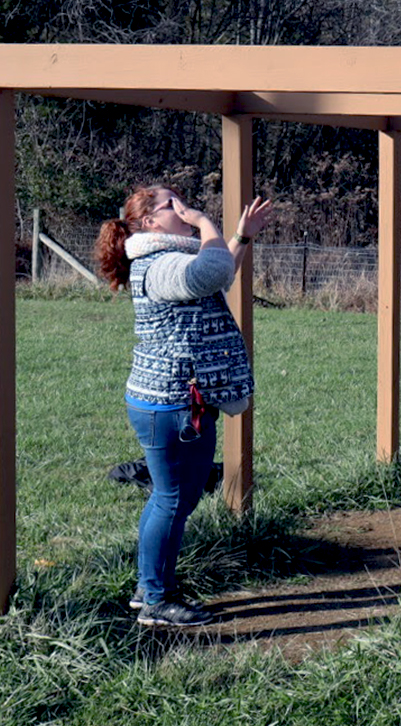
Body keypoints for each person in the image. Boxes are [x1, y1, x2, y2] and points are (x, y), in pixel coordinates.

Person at [95, 185, 273, 628]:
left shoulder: (168, 261)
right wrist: (206, 223)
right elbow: (209, 273)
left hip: (175, 402)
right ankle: (155, 598)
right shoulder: (158, 264)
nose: (183, 207)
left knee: (176, 497)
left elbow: (216, 271)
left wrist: (241, 238)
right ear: (150, 222)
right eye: (170, 204)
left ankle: (150, 591)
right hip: (171, 404)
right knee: (172, 499)